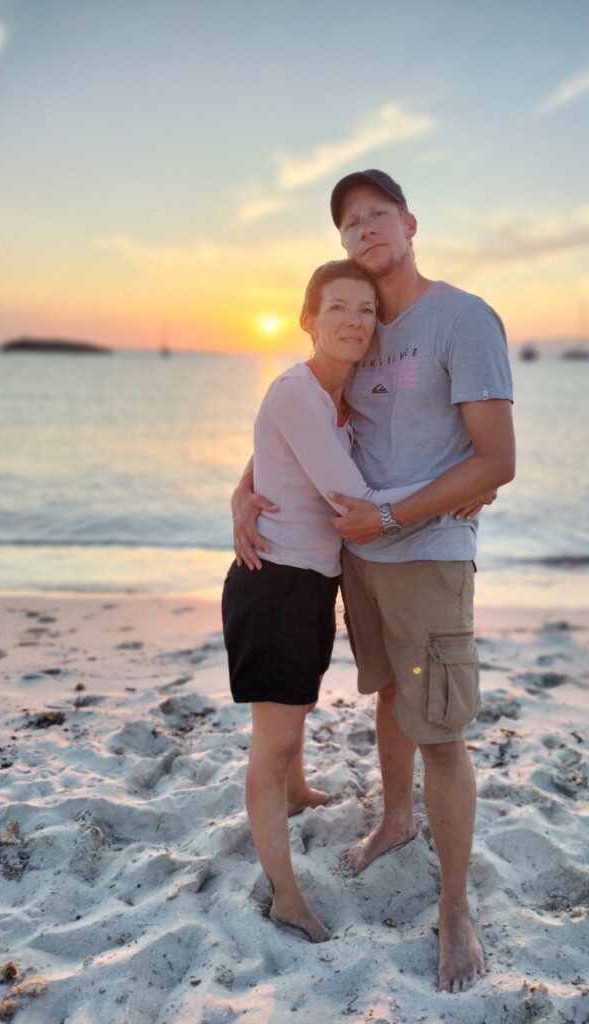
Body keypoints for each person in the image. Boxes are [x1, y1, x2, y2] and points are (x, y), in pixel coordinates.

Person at [231, 170, 515, 992]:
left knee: (444, 730)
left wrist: (396, 517)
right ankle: (396, 819)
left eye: (378, 217)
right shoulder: (360, 327)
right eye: (351, 224)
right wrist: (243, 487)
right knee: (390, 694)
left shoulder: (462, 318)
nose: (366, 231)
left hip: (425, 558)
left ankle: (455, 908)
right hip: (357, 560)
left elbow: (498, 459)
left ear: (410, 223)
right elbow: (303, 412)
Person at [223, 258, 433, 945]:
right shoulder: (299, 392)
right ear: (308, 320)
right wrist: (461, 493)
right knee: (275, 740)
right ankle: (285, 894)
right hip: (275, 584)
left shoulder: (347, 394)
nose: (353, 321)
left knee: (299, 708)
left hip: (312, 581)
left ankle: (295, 792)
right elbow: (353, 500)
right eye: (337, 308)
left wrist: (242, 483)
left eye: (366, 311)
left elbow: (278, 454)